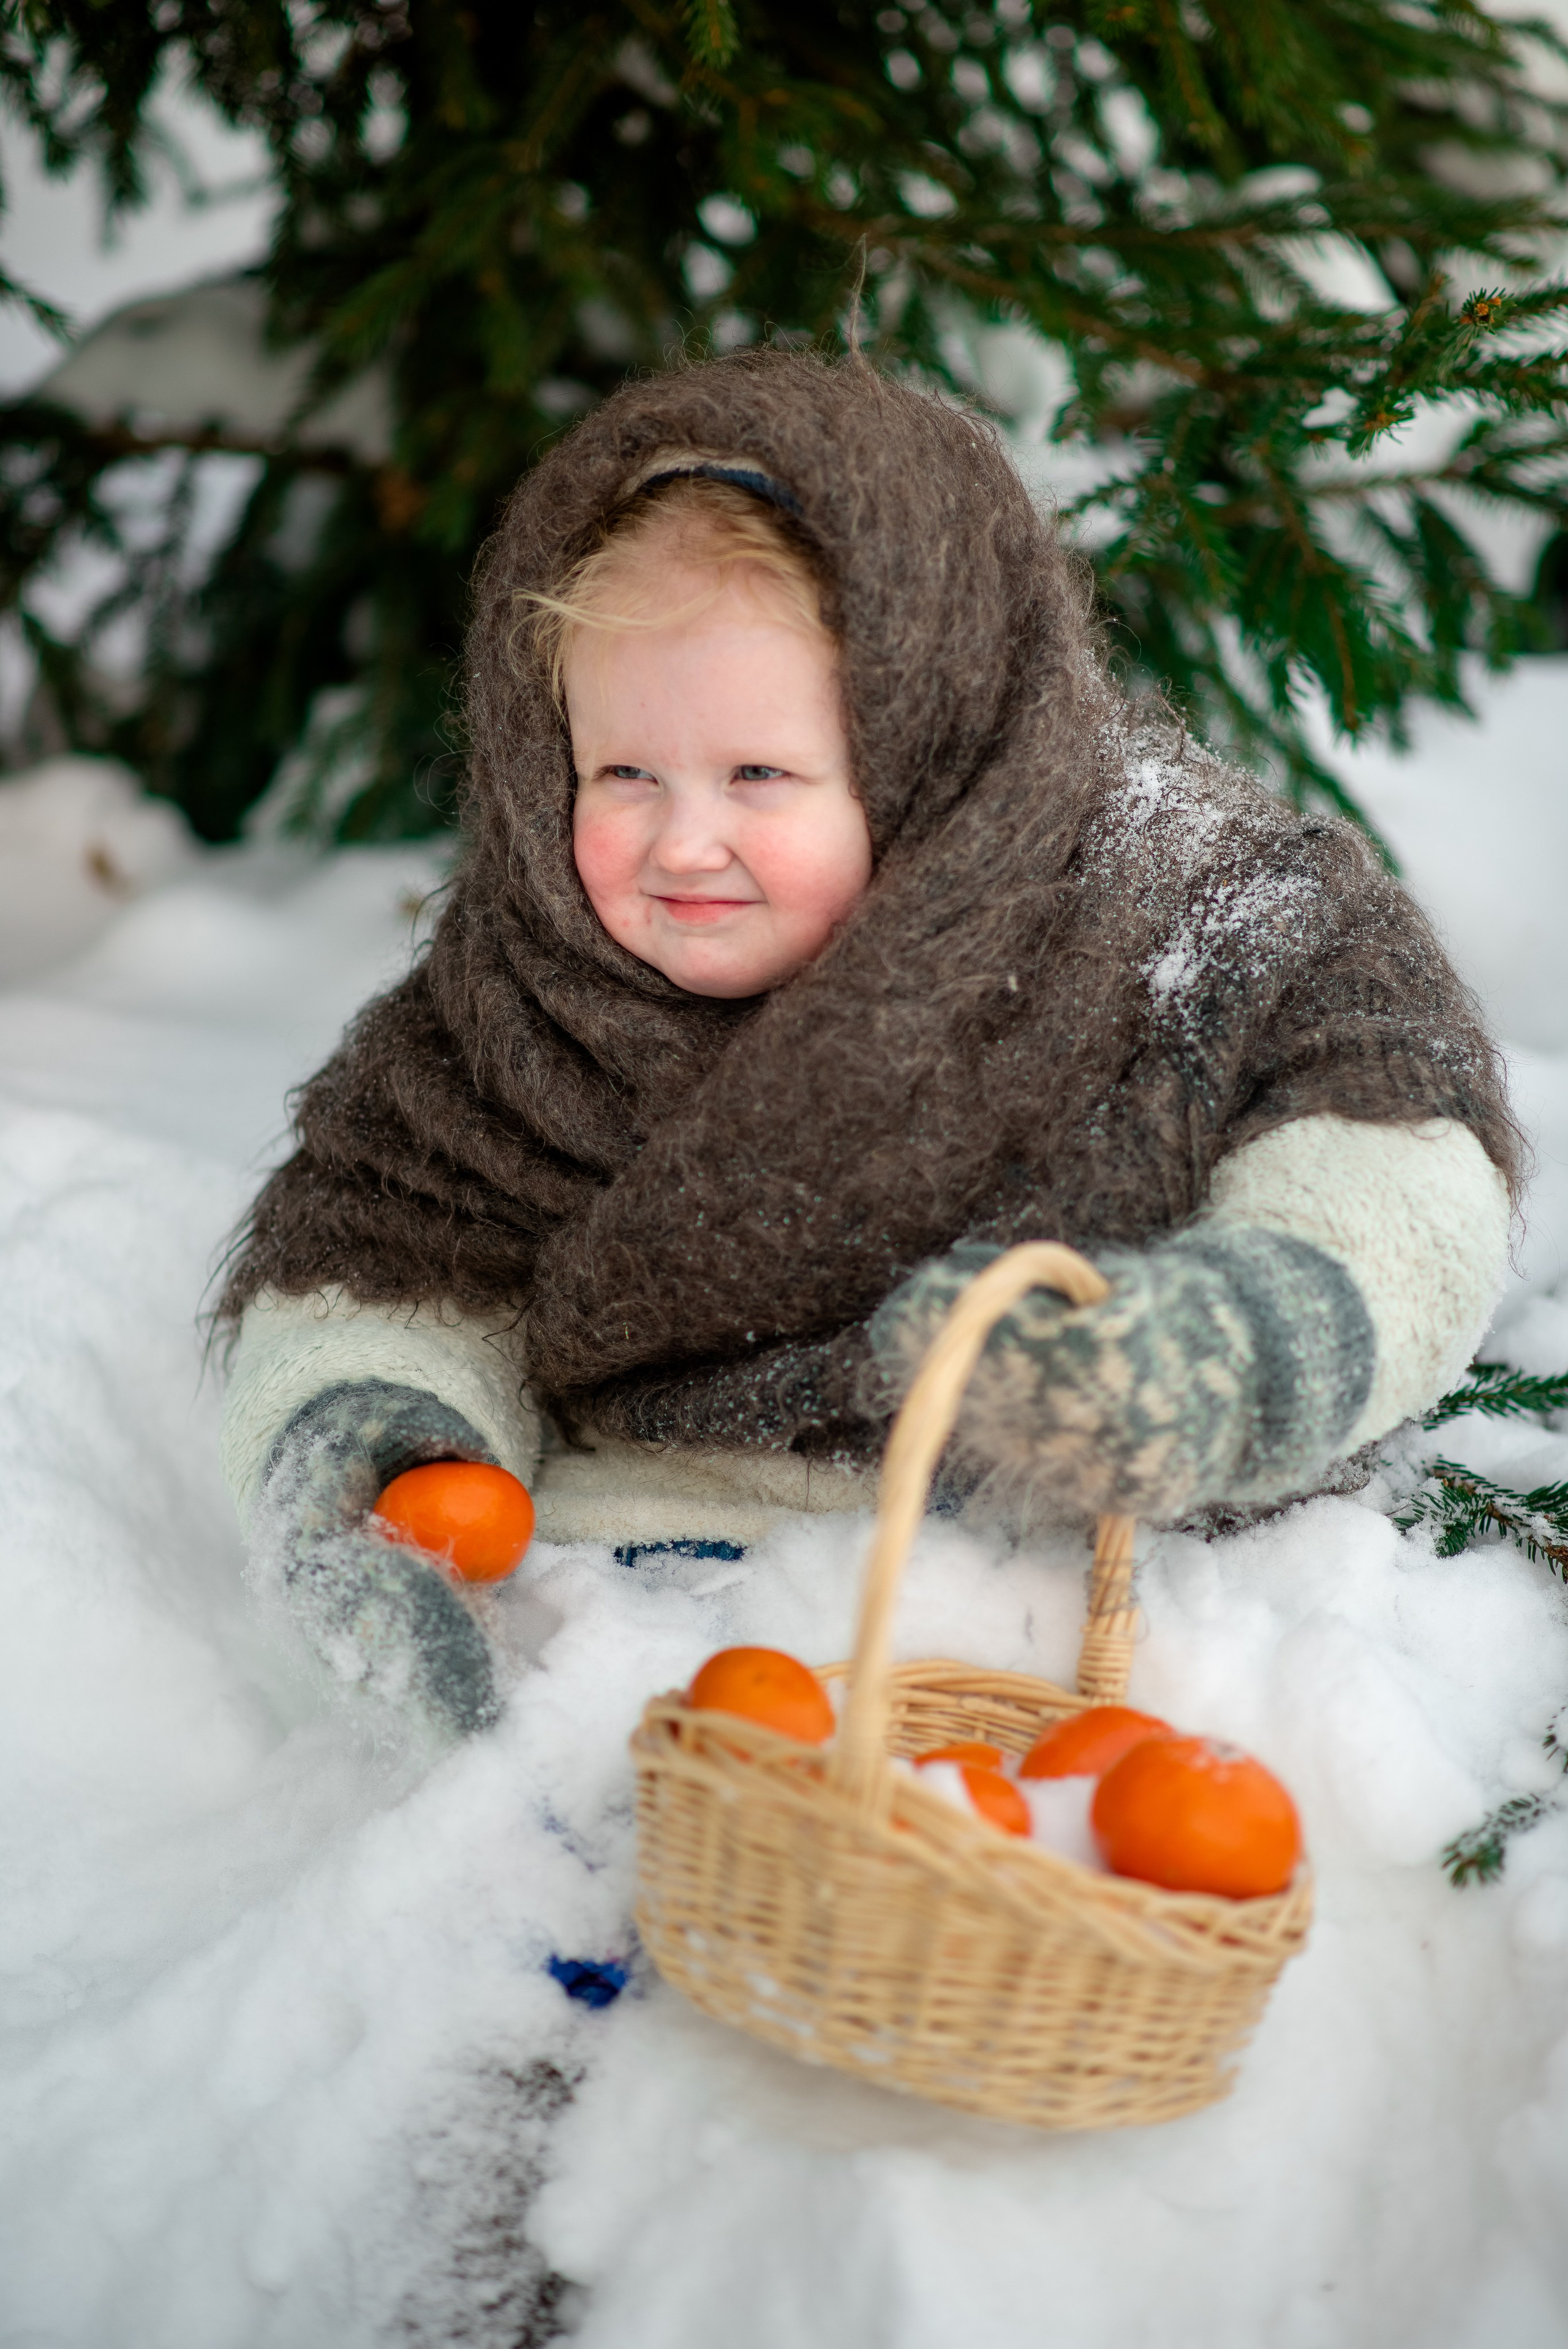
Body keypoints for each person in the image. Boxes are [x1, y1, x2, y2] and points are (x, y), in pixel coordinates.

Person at [217, 349, 1518, 1736]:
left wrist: (1229, 1347)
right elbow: (388, 1273)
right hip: (648, 1605)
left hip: (1075, 1615)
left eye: (758, 775)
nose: (682, 841)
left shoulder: (1184, 906)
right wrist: (371, 1462)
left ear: (926, 745)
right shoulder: (520, 996)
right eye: (621, 775)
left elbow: (1395, 1164)